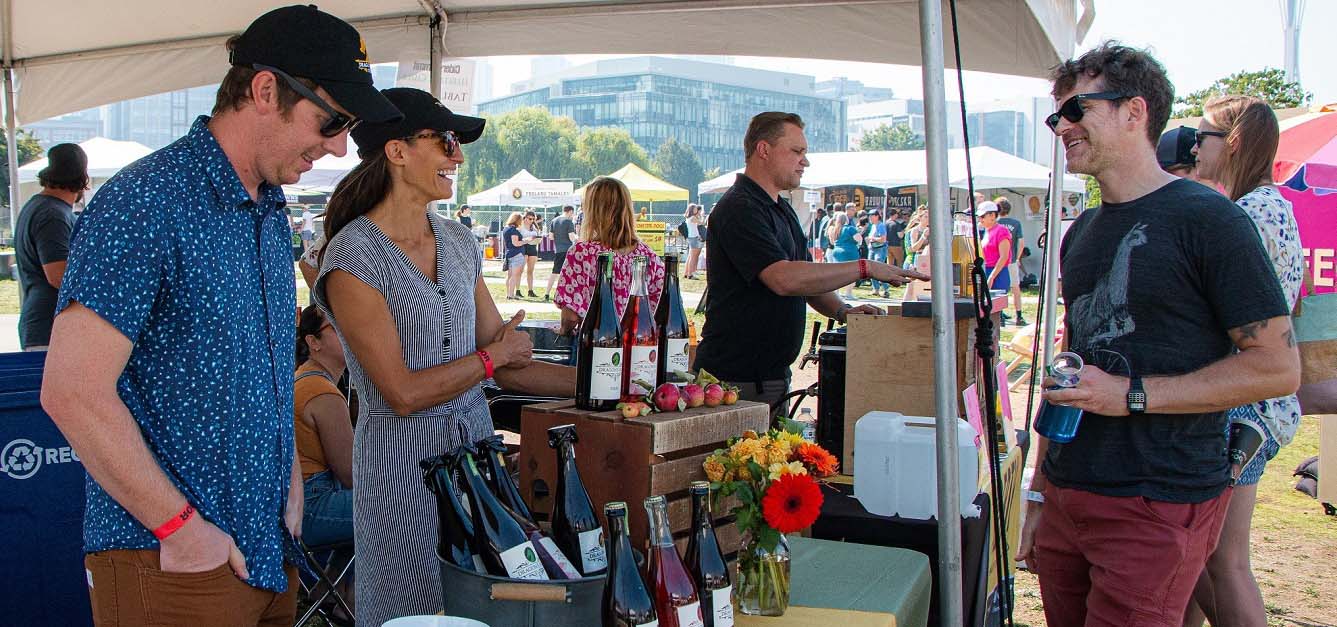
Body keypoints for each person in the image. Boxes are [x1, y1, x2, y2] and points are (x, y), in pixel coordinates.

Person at [40, 6, 403, 626]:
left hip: (266, 547)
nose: (339, 144)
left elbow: (263, 362)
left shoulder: (267, 205)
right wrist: (181, 529)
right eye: (331, 120)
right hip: (171, 561)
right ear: (266, 91)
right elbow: (72, 391)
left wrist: (288, 471)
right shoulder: (146, 200)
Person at [1014, 42, 1300, 627]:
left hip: (1157, 499)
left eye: (1076, 111)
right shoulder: (1084, 231)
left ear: (1134, 111)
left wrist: (1131, 394)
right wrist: (1042, 493)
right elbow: (1074, 363)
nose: (1061, 128)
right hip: (1071, 493)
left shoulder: (1210, 219)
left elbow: (1276, 367)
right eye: (1055, 116)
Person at [314, 87, 574, 625]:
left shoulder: (457, 241)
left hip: (478, 471)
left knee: (486, 608)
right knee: (414, 616)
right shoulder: (352, 257)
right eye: (446, 141)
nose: (458, 156)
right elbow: (402, 392)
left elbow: (513, 363)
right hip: (401, 481)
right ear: (397, 150)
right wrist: (489, 359)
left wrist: (610, 384)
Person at [695, 112, 925, 409]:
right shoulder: (739, 208)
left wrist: (844, 312)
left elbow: (807, 280)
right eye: (797, 151)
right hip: (733, 380)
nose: (805, 161)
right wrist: (864, 268)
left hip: (769, 376)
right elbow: (784, 279)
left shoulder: (782, 209)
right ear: (763, 150)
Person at [1182, 95, 1304, 627]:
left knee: (1222, 561)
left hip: (1243, 404)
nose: (1192, 144)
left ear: (1229, 143)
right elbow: (1292, 303)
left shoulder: (1245, 214)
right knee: (1201, 559)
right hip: (1258, 402)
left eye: (1202, 135)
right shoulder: (1274, 207)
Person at [554, 177, 666, 334]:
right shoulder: (649, 256)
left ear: (593, 212)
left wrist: (563, 330)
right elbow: (663, 308)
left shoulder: (582, 253)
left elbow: (570, 317)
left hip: (598, 346)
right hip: (639, 347)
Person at [15, 143, 87, 350]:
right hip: (50, 328)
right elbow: (57, 275)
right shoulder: (53, 215)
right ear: (82, 177)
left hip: (43, 324)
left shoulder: (37, 206)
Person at [293, 305, 354, 547]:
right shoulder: (322, 392)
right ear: (313, 342)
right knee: (408, 508)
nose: (351, 330)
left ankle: (335, 584)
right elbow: (351, 474)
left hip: (298, 502)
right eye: (337, 326)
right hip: (311, 505)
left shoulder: (304, 377)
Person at [994, 196, 1028, 326]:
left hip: (997, 261)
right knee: (1015, 288)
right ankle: (1019, 315)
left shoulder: (994, 223)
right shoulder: (1016, 223)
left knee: (999, 289)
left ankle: (1000, 315)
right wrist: (1017, 258)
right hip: (1011, 260)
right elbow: (1021, 243)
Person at [543, 204, 578, 300]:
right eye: (572, 213)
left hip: (558, 250)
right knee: (569, 273)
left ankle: (547, 293)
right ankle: (566, 294)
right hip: (568, 250)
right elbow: (571, 237)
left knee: (554, 272)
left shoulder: (554, 221)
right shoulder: (568, 221)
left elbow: (550, 236)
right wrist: (577, 239)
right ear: (570, 211)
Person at [826, 212, 860, 298]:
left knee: (837, 273)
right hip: (850, 252)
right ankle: (848, 293)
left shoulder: (834, 229)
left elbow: (832, 242)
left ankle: (836, 292)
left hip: (836, 252)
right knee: (852, 273)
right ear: (846, 219)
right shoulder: (850, 228)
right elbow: (859, 239)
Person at [500, 212, 526, 299]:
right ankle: (511, 295)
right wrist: (527, 241)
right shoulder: (513, 230)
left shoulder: (506, 229)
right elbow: (516, 243)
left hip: (509, 253)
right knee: (515, 276)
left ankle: (509, 294)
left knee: (510, 276)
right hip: (517, 254)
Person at [865, 209, 891, 298]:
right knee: (871, 269)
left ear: (877, 216)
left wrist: (872, 238)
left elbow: (883, 239)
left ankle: (886, 289)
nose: (870, 217)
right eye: (869, 216)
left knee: (879, 269)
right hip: (872, 249)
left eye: (872, 216)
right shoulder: (872, 226)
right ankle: (875, 289)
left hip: (880, 249)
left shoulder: (881, 226)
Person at [521, 210, 541, 298]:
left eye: (533, 219)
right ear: (525, 218)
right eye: (530, 218)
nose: (531, 220)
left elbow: (538, 236)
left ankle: (530, 290)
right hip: (524, 248)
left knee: (530, 271)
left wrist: (538, 238)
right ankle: (517, 290)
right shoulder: (520, 227)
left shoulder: (534, 227)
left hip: (533, 248)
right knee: (520, 270)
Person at [683, 203, 706, 278]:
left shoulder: (689, 217)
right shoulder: (692, 217)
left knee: (690, 256)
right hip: (693, 237)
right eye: (695, 208)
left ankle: (687, 273)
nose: (696, 209)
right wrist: (701, 215)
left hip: (691, 237)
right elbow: (702, 223)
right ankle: (690, 274)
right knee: (693, 257)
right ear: (692, 209)